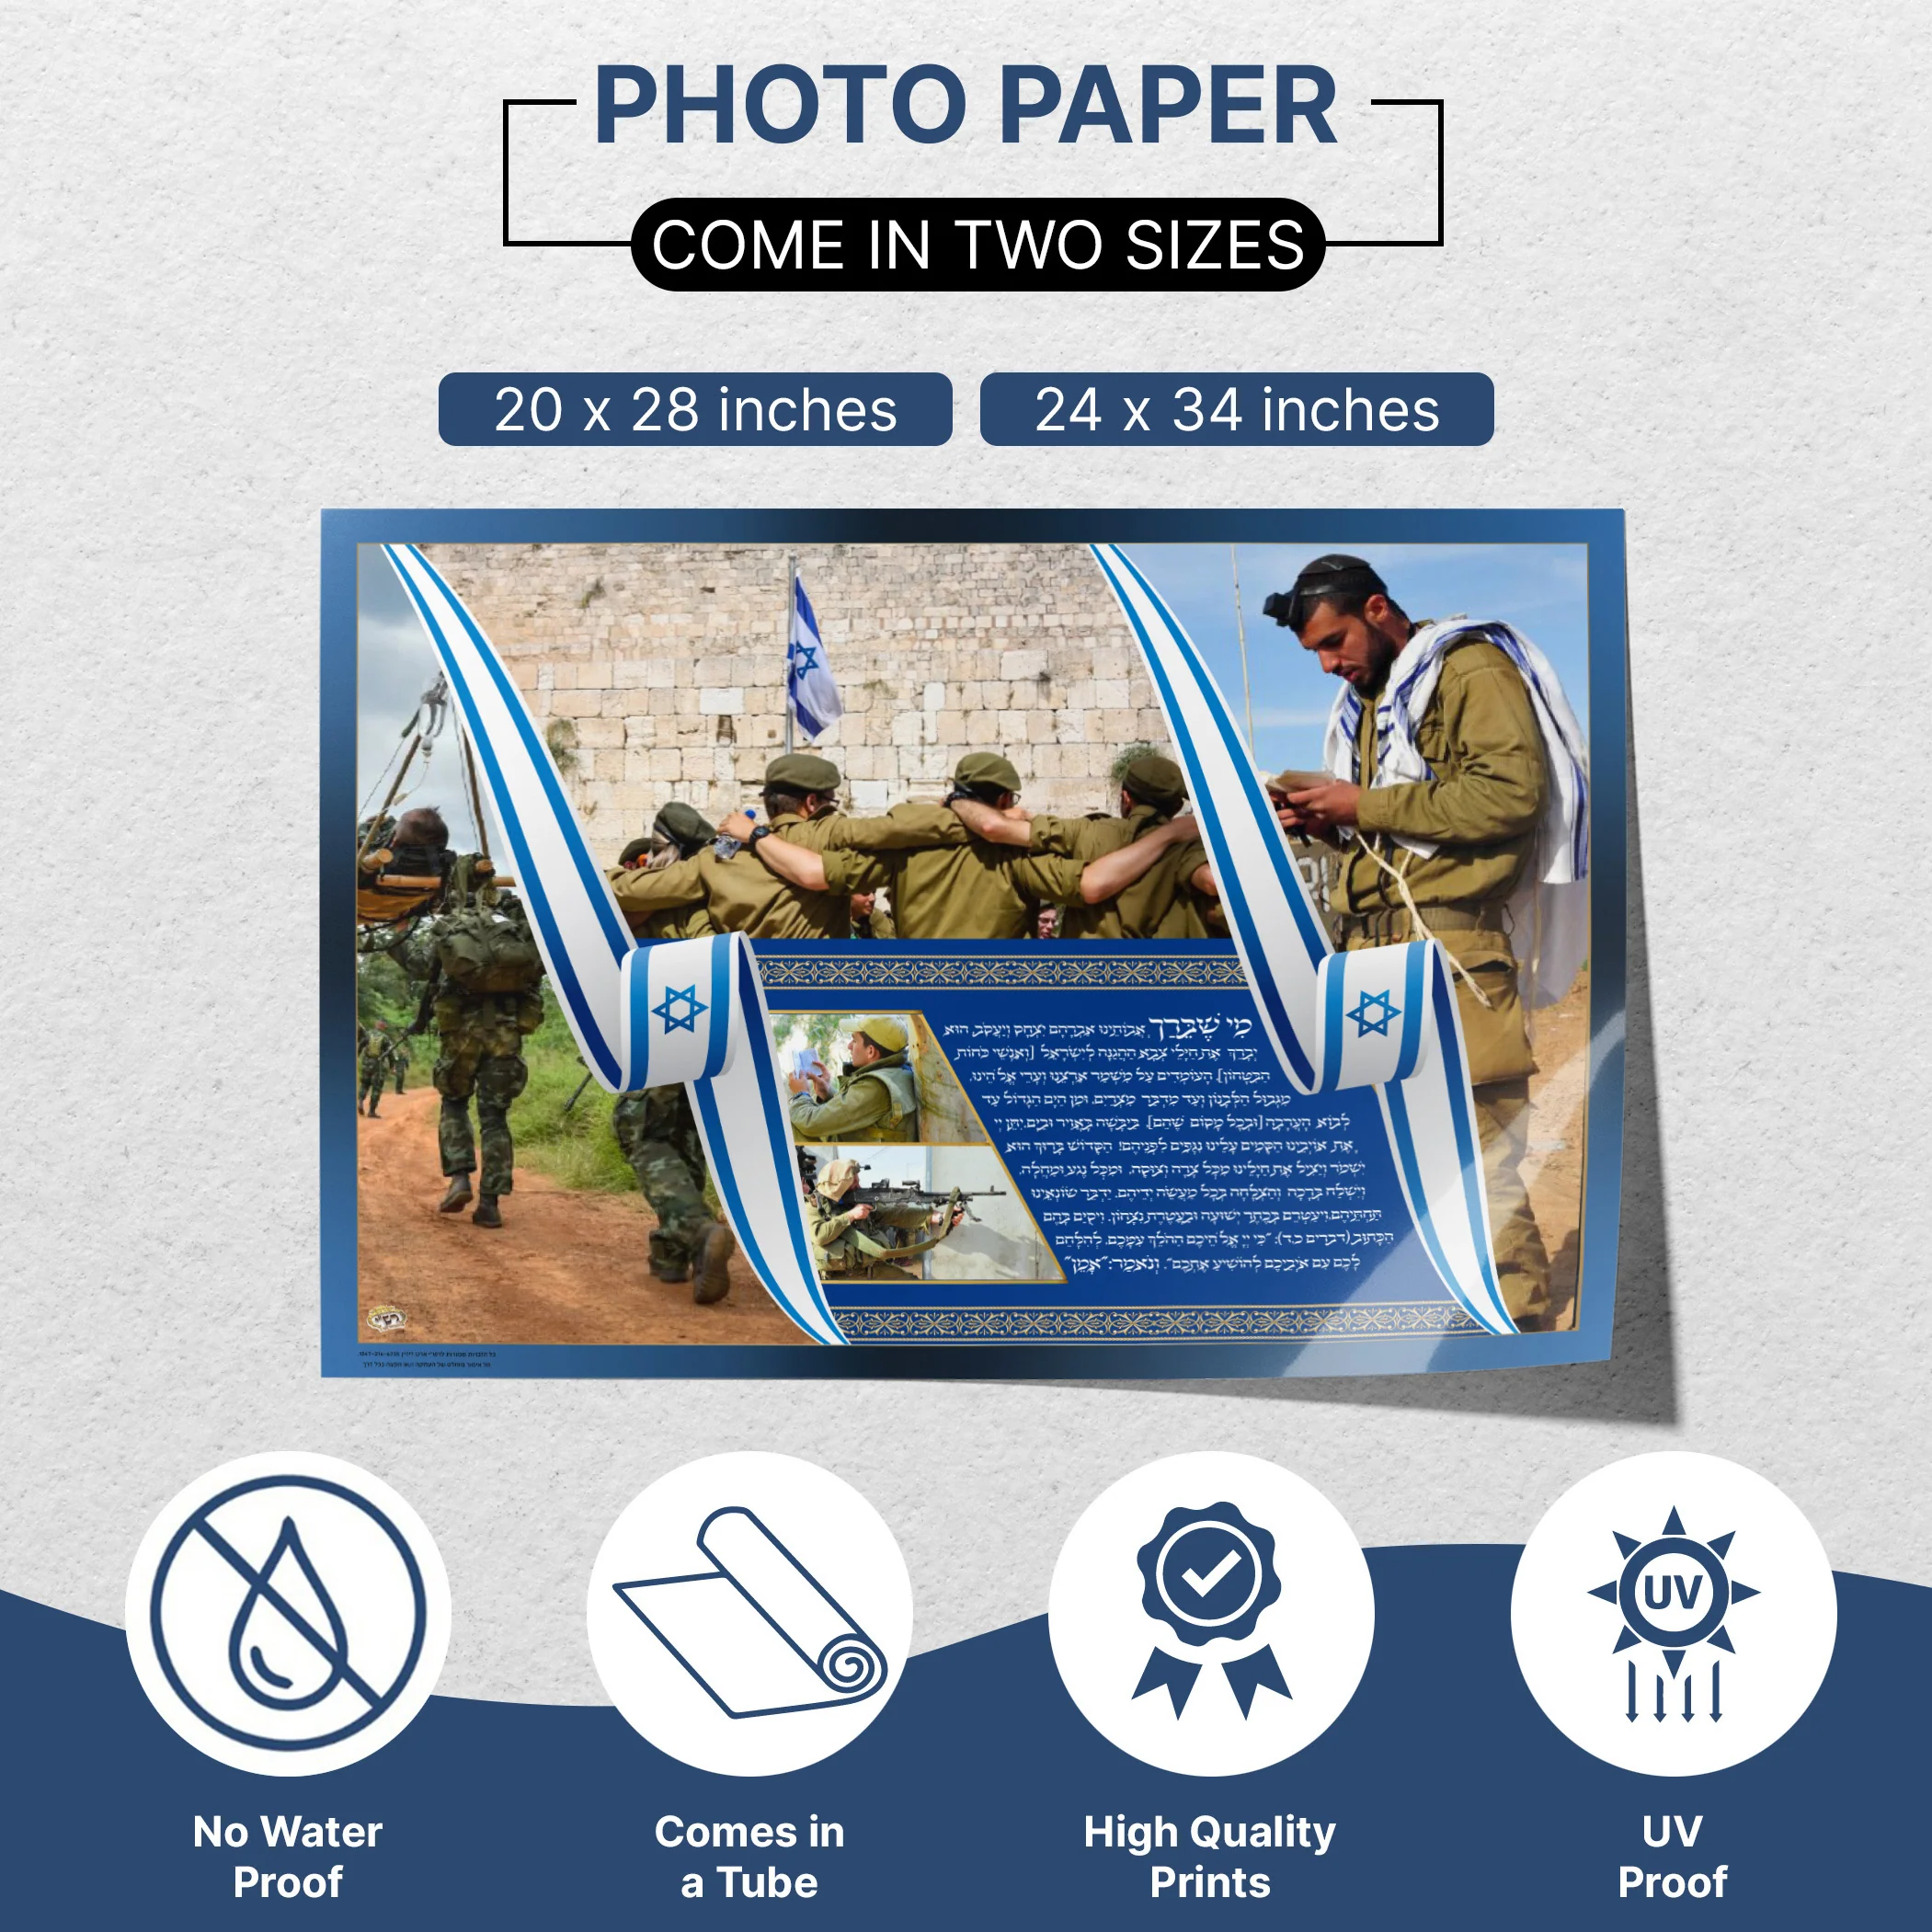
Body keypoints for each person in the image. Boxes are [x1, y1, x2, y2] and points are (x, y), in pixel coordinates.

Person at [1267, 553, 1578, 1330]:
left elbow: (1512, 793)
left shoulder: (1465, 667)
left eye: (1333, 642)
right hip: (1369, 957)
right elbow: (1399, 835)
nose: (1327, 664)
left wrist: (1361, 803)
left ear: (1377, 609)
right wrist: (1329, 820)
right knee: (1392, 1168)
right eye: (1313, 653)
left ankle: (1518, 1332)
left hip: (1444, 954)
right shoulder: (1366, 705)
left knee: (1474, 1163)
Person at [719, 753, 1199, 940]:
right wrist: (1174, 835)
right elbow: (1087, 886)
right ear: (1007, 800)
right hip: (1000, 1000)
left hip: (920, 990)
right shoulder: (1020, 853)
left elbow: (819, 875)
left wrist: (759, 835)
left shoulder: (904, 844)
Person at [377, 808, 544, 1229]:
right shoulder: (514, 919)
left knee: (454, 1101)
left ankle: (458, 1178)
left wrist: (398, 932)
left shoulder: (452, 922)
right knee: (495, 1116)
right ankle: (491, 1202)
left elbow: (420, 965)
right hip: (507, 1035)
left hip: (461, 1035)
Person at [606, 803, 736, 1303]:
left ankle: (698, 1230)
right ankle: (671, 1254)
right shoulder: (722, 888)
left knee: (643, 1135)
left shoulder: (656, 896)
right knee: (685, 1135)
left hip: (663, 1028)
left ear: (668, 849)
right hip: (720, 1034)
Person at [608, 755, 886, 939]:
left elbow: (633, 891)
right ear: (813, 803)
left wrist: (593, 877)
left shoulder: (719, 857)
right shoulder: (837, 842)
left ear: (771, 803)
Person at [945, 753, 1216, 938]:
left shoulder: (1085, 832)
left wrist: (957, 800)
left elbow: (997, 828)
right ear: (1178, 805)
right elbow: (1212, 882)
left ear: (1125, 799)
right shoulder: (1188, 848)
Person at [804, 1157, 966, 1281]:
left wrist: (938, 1217)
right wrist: (850, 1216)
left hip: (874, 1270)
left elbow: (894, 1214)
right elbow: (819, 1235)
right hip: (840, 1279)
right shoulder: (814, 1206)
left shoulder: (858, 1201)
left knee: (916, 1286)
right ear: (840, 1185)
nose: (859, 1187)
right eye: (854, 1183)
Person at [788, 1017, 920, 1143]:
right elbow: (856, 1109)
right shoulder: (897, 1072)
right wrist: (827, 1092)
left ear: (871, 1051)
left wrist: (801, 1094)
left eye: (855, 1041)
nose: (849, 1046)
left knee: (793, 1120)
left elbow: (810, 1123)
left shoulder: (875, 1086)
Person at [357, 1026, 396, 1117]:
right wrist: (392, 1067)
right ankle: (371, 1112)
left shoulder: (368, 1034)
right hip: (378, 1066)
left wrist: (357, 1056)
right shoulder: (385, 1038)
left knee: (364, 1084)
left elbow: (360, 1045)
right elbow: (390, 1053)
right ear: (383, 1027)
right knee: (376, 1088)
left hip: (366, 1064)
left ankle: (360, 1102)